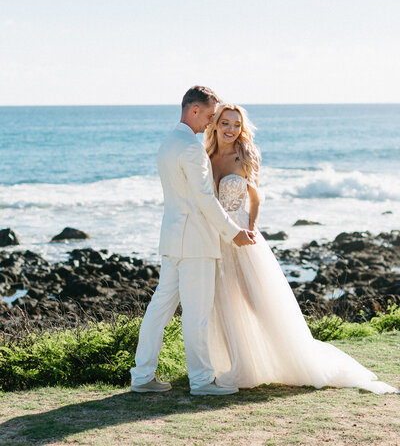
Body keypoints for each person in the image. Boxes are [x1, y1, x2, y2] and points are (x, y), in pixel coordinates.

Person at [204, 103, 399, 395]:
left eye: (236, 124)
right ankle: (241, 364)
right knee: (226, 302)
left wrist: (252, 227)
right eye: (226, 123)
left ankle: (286, 358)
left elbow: (256, 198)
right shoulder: (207, 157)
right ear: (216, 124)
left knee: (258, 300)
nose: (231, 129)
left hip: (243, 234)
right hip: (217, 236)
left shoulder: (245, 155)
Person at [130, 87, 256, 396]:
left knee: (159, 309)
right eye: (211, 116)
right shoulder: (191, 148)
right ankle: (202, 381)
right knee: (197, 314)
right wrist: (234, 233)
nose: (212, 122)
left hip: (173, 239)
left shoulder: (168, 143)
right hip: (196, 242)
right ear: (195, 110)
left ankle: (142, 375)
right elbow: (204, 200)